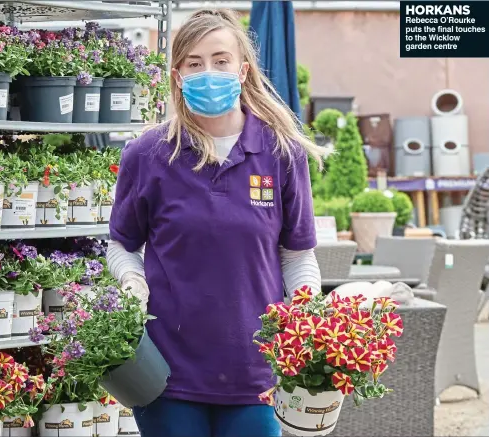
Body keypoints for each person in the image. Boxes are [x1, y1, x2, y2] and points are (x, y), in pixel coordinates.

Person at [107, 8, 326, 437]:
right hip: (164, 375)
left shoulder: (281, 153)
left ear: (242, 71)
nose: (209, 71)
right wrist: (134, 287)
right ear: (177, 74)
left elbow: (297, 255)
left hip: (257, 373)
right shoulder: (148, 154)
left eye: (221, 60)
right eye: (195, 63)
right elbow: (121, 245)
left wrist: (305, 322)